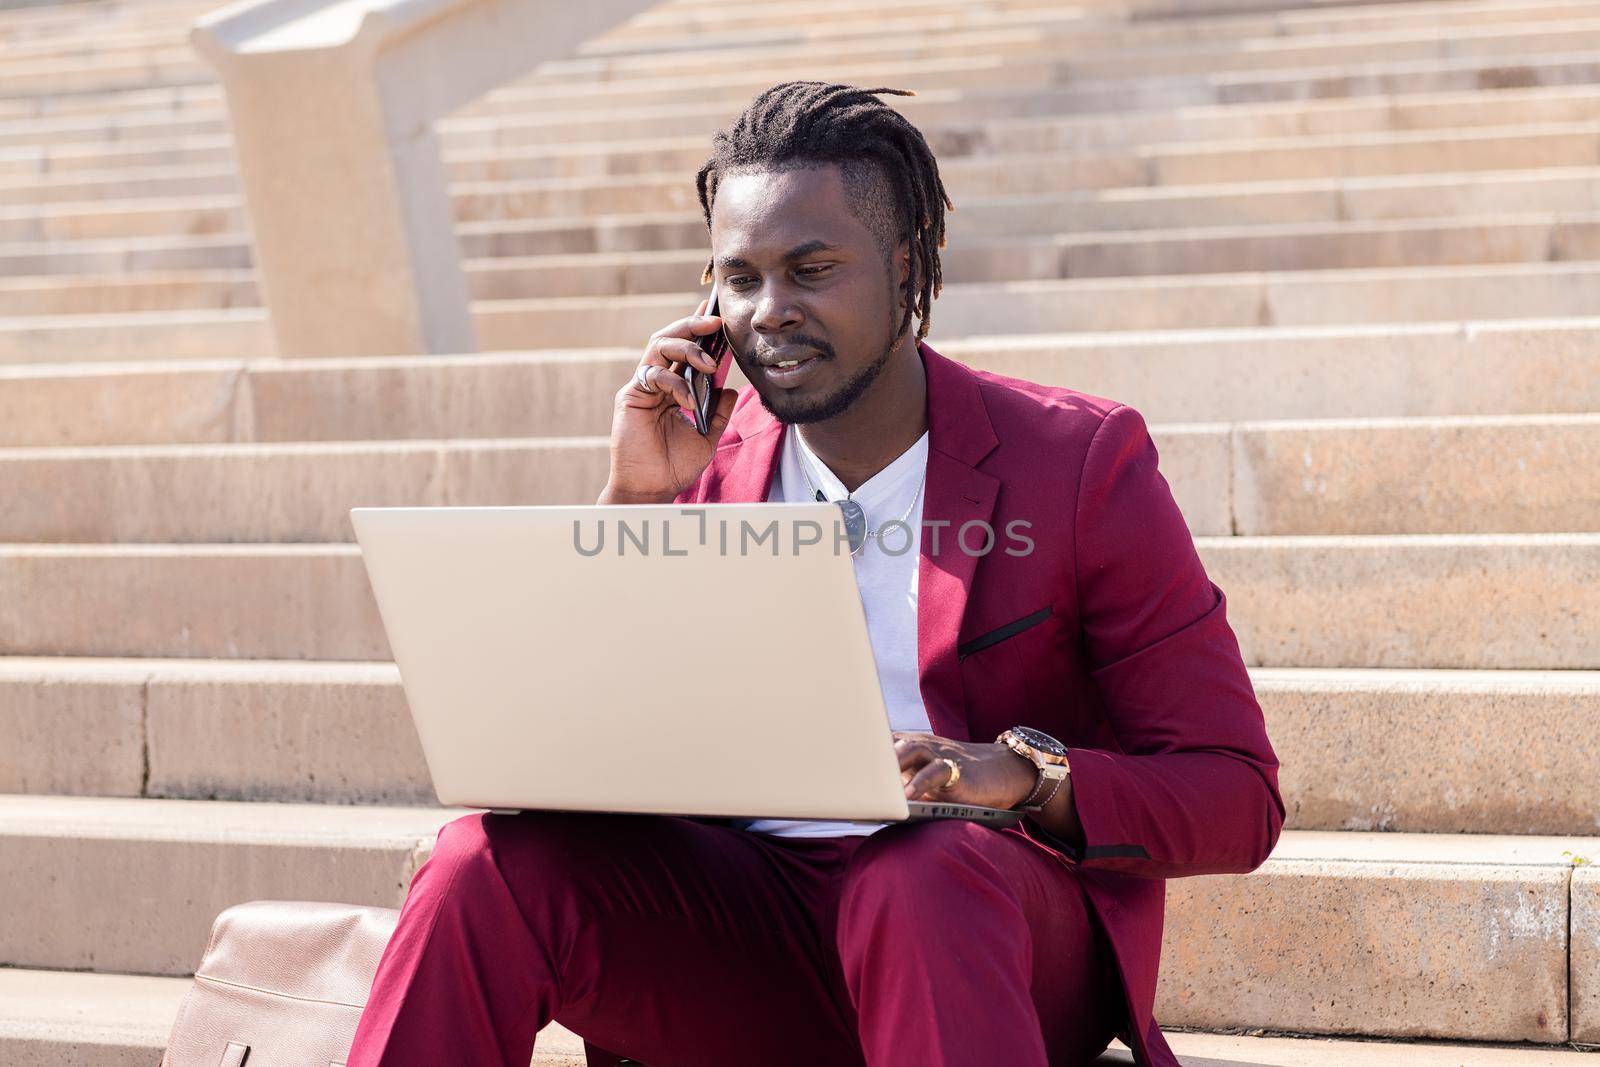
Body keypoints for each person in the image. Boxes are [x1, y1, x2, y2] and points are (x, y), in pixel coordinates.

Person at [347, 80, 1284, 1067]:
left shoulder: (1078, 461)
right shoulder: (703, 464)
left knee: (915, 870)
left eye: (811, 267)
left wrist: (1012, 774)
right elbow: (578, 751)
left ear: (906, 262)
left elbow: (1234, 795)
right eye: (740, 277)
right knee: (476, 867)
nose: (771, 312)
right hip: (755, 925)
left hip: (977, 925)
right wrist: (634, 503)